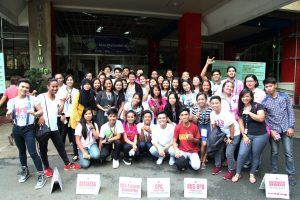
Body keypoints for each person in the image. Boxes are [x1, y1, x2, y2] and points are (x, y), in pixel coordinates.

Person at [6, 78, 46, 189]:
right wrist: (8, 114)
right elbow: (8, 117)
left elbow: (40, 111)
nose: (24, 89)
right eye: (22, 87)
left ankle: (40, 175)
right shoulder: (12, 101)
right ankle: (25, 171)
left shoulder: (32, 99)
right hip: (16, 129)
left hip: (29, 129)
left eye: (27, 87)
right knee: (21, 151)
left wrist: (35, 113)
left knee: (33, 152)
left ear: (29, 89)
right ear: (18, 87)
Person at [36, 78, 80, 178]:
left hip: (54, 128)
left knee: (60, 147)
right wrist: (40, 116)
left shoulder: (56, 98)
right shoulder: (40, 97)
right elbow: (35, 108)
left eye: (56, 86)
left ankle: (67, 164)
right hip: (43, 128)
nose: (55, 88)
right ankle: (47, 168)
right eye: (53, 86)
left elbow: (59, 111)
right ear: (48, 86)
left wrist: (63, 102)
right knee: (43, 149)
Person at [261, 77, 296, 186]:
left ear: (275, 85)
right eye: (266, 87)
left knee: (288, 153)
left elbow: (290, 112)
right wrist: (270, 130)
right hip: (274, 131)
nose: (268, 88)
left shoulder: (284, 97)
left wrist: (291, 126)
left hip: (286, 129)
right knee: (274, 152)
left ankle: (290, 173)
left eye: (270, 86)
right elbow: (265, 118)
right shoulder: (265, 101)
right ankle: (273, 171)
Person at [232, 89, 268, 183]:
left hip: (260, 135)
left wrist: (249, 113)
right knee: (241, 154)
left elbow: (261, 118)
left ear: (251, 97)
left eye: (247, 96)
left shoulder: (258, 106)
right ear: (241, 98)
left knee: (256, 155)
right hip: (247, 135)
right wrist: (244, 136)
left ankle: (252, 174)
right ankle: (238, 173)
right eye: (243, 96)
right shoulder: (240, 108)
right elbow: (241, 124)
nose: (245, 98)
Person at [210, 96, 240, 180]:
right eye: (212, 103)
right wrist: (215, 137)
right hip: (223, 134)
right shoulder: (212, 114)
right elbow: (214, 125)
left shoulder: (225, 113)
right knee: (217, 149)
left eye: (217, 103)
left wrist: (230, 137)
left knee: (228, 152)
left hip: (234, 133)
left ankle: (231, 171)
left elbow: (232, 126)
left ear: (220, 103)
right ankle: (218, 166)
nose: (215, 105)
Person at [70, 78, 96, 161]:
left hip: (87, 116)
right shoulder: (78, 94)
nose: (87, 86)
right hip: (77, 118)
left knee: (87, 134)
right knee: (76, 136)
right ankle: (76, 154)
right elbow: (74, 107)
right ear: (82, 85)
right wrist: (78, 120)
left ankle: (88, 151)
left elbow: (92, 106)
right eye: (85, 84)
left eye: (89, 84)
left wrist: (91, 116)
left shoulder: (91, 93)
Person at [58, 75, 79, 157]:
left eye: (71, 80)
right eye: (68, 80)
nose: (70, 81)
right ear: (65, 81)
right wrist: (62, 114)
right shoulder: (61, 91)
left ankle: (75, 153)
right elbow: (59, 104)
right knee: (64, 132)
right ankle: (61, 149)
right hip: (65, 114)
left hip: (73, 115)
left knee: (74, 133)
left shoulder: (76, 91)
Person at [191, 92, 213, 169]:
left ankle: (203, 160)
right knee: (203, 143)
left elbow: (212, 119)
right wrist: (196, 117)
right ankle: (201, 159)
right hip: (200, 126)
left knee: (207, 143)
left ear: (206, 100)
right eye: (199, 99)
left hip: (208, 126)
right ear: (197, 100)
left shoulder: (210, 108)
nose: (201, 101)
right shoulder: (195, 108)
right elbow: (194, 122)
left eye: (202, 99)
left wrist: (211, 130)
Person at [0, 75, 21, 145]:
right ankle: (13, 136)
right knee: (21, 125)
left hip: (11, 110)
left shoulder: (7, 89)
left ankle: (13, 135)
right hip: (20, 109)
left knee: (16, 124)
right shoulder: (19, 88)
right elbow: (28, 96)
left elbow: (2, 100)